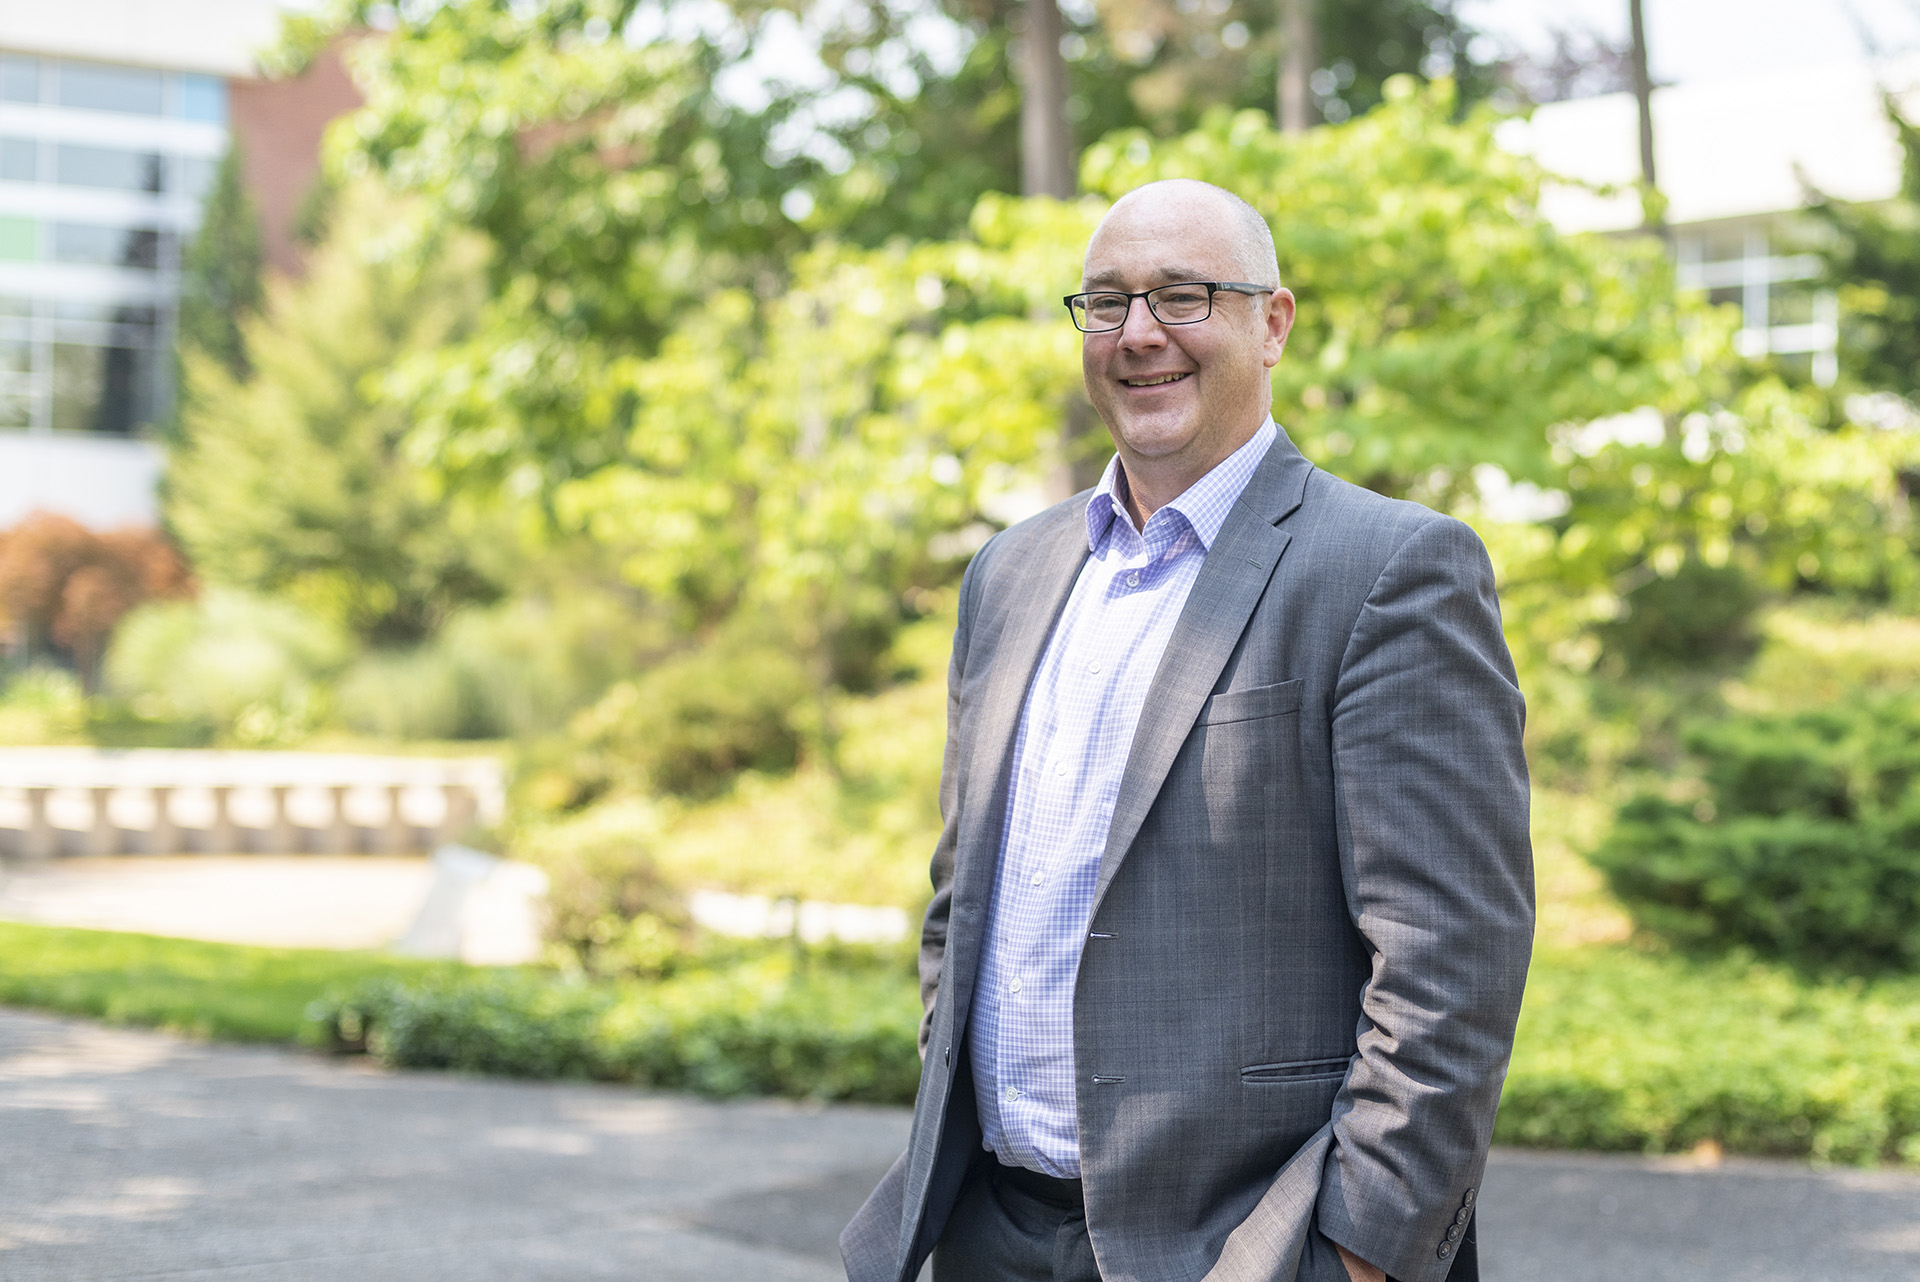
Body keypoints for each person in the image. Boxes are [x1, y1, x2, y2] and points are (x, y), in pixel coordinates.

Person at [841, 178, 1534, 1282]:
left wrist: (1359, 1251)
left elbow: (1452, 964)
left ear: (1274, 323)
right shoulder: (1009, 574)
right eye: (1106, 303)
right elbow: (961, 896)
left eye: (1184, 295)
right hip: (992, 1233)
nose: (1140, 335)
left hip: (1248, 1249)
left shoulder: (1388, 570)